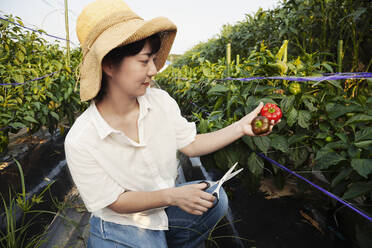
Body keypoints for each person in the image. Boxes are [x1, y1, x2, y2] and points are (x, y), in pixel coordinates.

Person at [64, 0, 281, 247]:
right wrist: (173, 195)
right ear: (109, 65)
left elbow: (191, 144)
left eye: (155, 59)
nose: (154, 70)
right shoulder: (81, 139)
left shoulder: (160, 103)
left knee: (214, 198)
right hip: (122, 222)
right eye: (144, 61)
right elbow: (115, 202)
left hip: (164, 207)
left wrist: (241, 127)